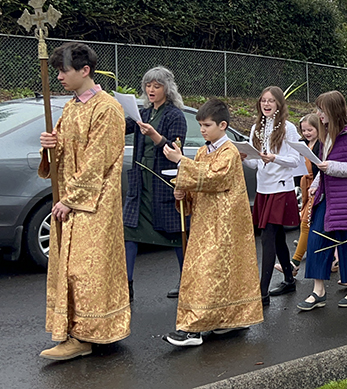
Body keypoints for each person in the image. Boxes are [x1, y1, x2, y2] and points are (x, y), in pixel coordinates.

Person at [37, 42, 130, 360]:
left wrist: (70, 199)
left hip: (95, 204)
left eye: (64, 71)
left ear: (85, 70)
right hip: (73, 201)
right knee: (71, 269)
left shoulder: (107, 108)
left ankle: (87, 336)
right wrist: (51, 144)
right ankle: (78, 332)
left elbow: (97, 160)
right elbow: (63, 153)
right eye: (58, 72)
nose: (59, 77)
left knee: (87, 270)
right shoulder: (72, 107)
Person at [162, 99, 262, 346]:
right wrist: (183, 192)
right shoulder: (202, 150)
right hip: (203, 223)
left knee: (210, 273)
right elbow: (197, 184)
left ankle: (193, 330)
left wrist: (180, 163)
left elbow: (213, 178)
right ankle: (221, 321)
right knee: (205, 273)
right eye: (201, 125)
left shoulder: (229, 152)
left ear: (223, 125)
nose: (203, 130)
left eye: (207, 125)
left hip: (224, 225)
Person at [298, 91, 347, 311]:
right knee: (316, 240)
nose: (318, 114)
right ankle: (318, 291)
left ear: (334, 110)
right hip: (326, 195)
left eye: (322, 110)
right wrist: (316, 182)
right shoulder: (327, 134)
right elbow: (324, 163)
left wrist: (331, 168)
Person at [123, 66, 187, 301]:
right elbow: (121, 128)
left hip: (162, 184)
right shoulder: (143, 112)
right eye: (148, 85)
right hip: (141, 185)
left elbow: (175, 150)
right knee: (129, 232)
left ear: (167, 89)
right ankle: (126, 286)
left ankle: (186, 282)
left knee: (176, 235)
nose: (151, 89)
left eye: (156, 86)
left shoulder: (174, 115)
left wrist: (154, 136)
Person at [244, 86, 305, 304]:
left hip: (281, 187)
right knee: (277, 236)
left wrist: (274, 158)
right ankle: (288, 279)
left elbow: (295, 161)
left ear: (279, 104)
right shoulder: (256, 128)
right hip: (263, 188)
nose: (267, 104)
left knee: (268, 236)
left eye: (271, 101)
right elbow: (255, 162)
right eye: (263, 101)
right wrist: (244, 156)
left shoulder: (288, 128)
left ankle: (263, 292)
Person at [283, 114, 324, 276]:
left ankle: (295, 262)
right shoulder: (302, 144)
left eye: (310, 130)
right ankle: (335, 260)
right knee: (307, 221)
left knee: (306, 223)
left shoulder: (321, 145)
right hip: (305, 186)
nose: (306, 133)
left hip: (316, 186)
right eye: (304, 130)